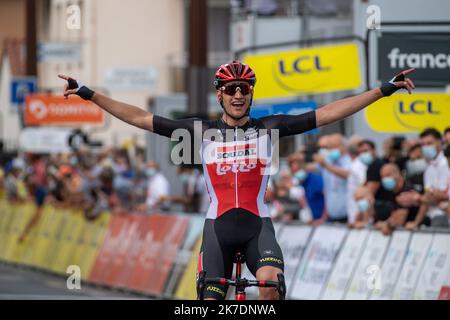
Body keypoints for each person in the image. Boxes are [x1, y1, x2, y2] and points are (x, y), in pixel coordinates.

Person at [59, 62, 415, 300]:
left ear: (251, 93)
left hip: (257, 225)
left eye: (244, 88)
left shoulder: (270, 128)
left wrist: (382, 91)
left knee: (270, 287)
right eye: (231, 89)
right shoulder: (199, 132)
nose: (238, 94)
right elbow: (138, 117)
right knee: (209, 299)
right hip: (218, 227)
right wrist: (89, 93)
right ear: (220, 95)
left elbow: (327, 113)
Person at [406, 128, 450, 229]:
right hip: (432, 216)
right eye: (423, 145)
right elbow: (429, 196)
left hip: (443, 216)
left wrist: (419, 198)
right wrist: (416, 223)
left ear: (440, 142)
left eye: (429, 143)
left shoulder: (446, 164)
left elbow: (444, 196)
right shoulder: (429, 168)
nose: (426, 147)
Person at [374, 163, 424, 236]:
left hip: (419, 230)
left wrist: (386, 225)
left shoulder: (407, 190)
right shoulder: (393, 191)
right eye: (382, 177)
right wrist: (385, 223)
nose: (384, 179)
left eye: (387, 175)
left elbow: (399, 220)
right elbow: (395, 214)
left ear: (397, 174)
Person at [314, 133, 351, 223]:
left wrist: (326, 166)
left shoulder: (349, 160)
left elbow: (347, 175)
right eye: (329, 147)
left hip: (349, 216)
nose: (331, 150)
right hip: (333, 216)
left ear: (344, 146)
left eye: (334, 146)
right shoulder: (328, 161)